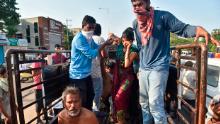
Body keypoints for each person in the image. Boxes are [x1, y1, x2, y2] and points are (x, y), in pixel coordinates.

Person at [130, 0, 220, 123]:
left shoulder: (163, 17)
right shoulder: (136, 23)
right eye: (134, 5)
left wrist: (198, 30)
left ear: (147, 3)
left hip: (159, 67)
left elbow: (183, 29)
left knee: (155, 105)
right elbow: (141, 46)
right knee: (144, 103)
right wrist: (140, 67)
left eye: (140, 4)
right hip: (144, 68)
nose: (137, 8)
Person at [69, 15, 112, 110]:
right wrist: (104, 44)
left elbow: (96, 46)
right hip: (78, 76)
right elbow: (92, 54)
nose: (91, 30)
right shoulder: (79, 39)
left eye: (93, 28)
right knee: (81, 101)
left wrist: (106, 43)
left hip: (87, 74)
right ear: (83, 26)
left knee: (90, 96)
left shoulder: (90, 39)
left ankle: (88, 117)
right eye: (89, 27)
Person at [110, 27, 139, 124]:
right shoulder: (120, 45)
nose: (123, 43)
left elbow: (126, 64)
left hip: (128, 77)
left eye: (125, 41)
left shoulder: (134, 49)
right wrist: (113, 37)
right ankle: (122, 118)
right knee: (116, 96)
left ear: (131, 41)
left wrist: (127, 50)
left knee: (119, 97)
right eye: (122, 40)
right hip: (117, 75)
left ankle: (121, 121)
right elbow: (112, 35)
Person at [91, 23, 106, 111]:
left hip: (86, 71)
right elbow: (104, 54)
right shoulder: (100, 39)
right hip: (96, 70)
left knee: (90, 91)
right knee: (97, 91)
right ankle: (95, 110)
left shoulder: (88, 38)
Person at [31, 47, 47, 124]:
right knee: (39, 103)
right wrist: (42, 69)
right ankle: (38, 119)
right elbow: (33, 73)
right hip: (38, 86)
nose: (46, 53)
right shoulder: (36, 61)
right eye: (44, 52)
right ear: (40, 52)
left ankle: (44, 115)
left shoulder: (43, 60)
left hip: (44, 84)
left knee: (44, 101)